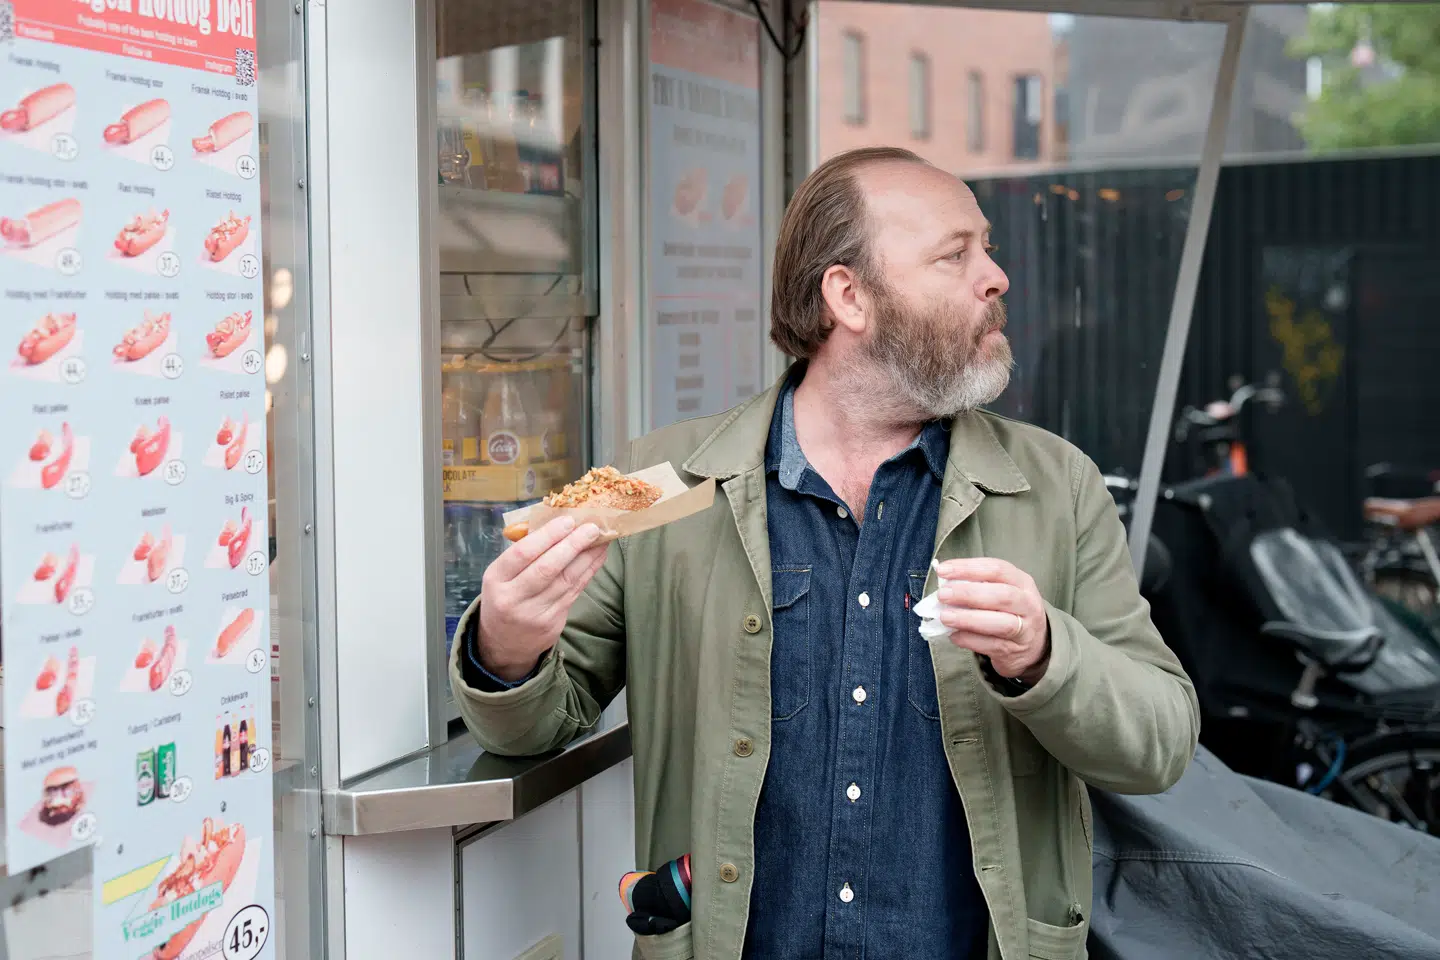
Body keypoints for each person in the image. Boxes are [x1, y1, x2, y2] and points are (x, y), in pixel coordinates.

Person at [451, 146, 1199, 960]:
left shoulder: (1055, 485)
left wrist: (1043, 654)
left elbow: (1160, 741)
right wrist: (508, 644)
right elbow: (535, 729)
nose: (996, 276)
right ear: (848, 296)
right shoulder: (653, 483)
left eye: (986, 248)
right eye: (957, 255)